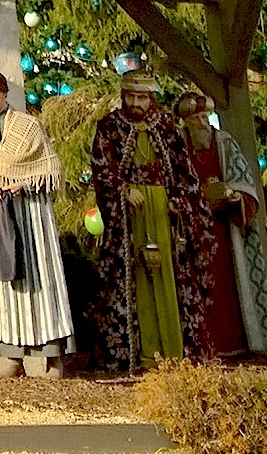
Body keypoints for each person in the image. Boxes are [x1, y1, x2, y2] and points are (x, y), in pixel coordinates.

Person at [84, 71, 214, 372]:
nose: (136, 103)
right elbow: (102, 168)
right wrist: (123, 190)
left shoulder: (166, 127)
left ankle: (175, 352)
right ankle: (141, 353)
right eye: (131, 96)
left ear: (151, 98)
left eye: (142, 97)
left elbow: (184, 171)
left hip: (164, 215)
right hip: (128, 216)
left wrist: (177, 201)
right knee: (134, 278)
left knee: (170, 278)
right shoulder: (110, 127)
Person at [0, 69, 73, 373]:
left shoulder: (28, 126)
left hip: (33, 215)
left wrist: (23, 183)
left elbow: (50, 168)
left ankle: (53, 356)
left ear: (4, 92)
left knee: (43, 278)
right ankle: (14, 357)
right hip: (0, 215)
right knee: (7, 281)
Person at [173, 91, 267, 357]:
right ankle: (199, 346)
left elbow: (244, 181)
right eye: (195, 119)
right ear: (185, 121)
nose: (201, 123)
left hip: (224, 229)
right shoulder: (175, 145)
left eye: (204, 117)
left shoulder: (225, 143)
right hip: (190, 229)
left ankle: (237, 344)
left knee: (229, 287)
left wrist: (235, 196)